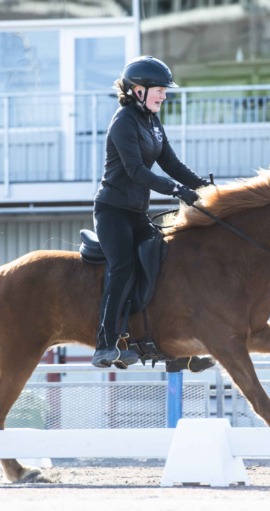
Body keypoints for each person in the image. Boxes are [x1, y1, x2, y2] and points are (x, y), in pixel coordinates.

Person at [92, 56, 208, 369]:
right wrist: (175, 190)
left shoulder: (152, 122)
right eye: (159, 90)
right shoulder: (124, 121)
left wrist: (205, 188)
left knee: (166, 260)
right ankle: (105, 345)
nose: (164, 95)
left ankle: (173, 348)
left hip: (137, 213)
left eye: (164, 90)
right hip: (113, 212)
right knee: (124, 268)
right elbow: (135, 171)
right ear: (138, 90)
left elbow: (171, 164)